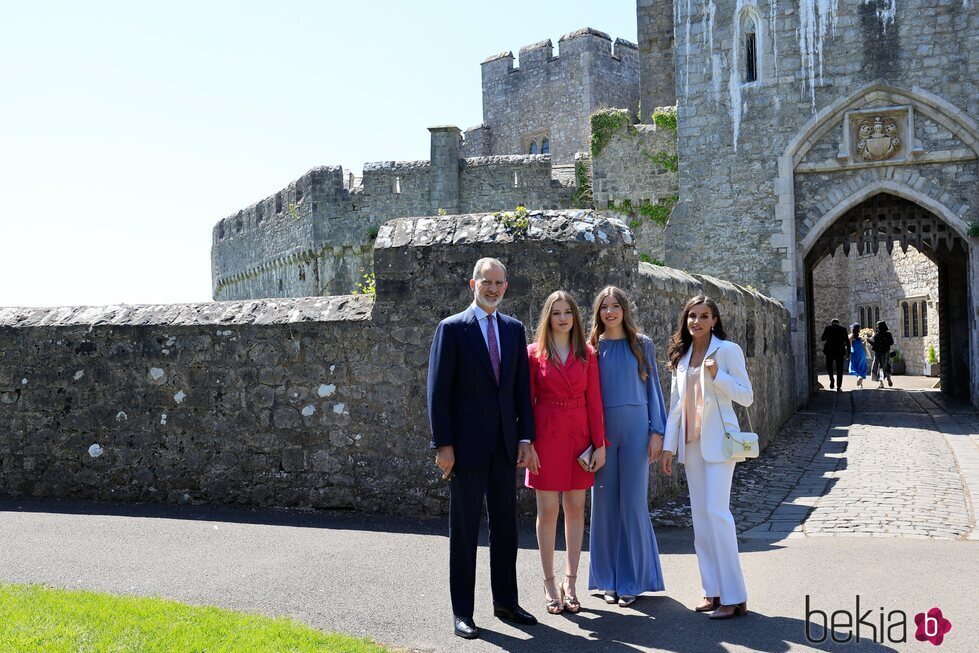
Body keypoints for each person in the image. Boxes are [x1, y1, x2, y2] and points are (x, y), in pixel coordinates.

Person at [427, 257, 540, 640]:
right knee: (464, 530)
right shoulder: (452, 329)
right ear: (472, 284)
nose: (492, 289)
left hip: (506, 447)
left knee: (506, 528)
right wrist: (443, 444)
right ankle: (463, 612)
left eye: (498, 283)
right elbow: (438, 393)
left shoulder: (513, 329)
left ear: (506, 286)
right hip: (465, 448)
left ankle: (506, 601)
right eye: (486, 282)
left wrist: (526, 438)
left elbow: (521, 391)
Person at [661, 295, 752, 620]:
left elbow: (746, 396)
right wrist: (669, 447)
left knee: (717, 513)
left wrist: (718, 377)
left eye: (704, 316)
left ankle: (734, 595)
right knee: (700, 518)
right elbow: (675, 406)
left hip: (721, 443)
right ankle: (711, 590)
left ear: (715, 320)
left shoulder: (727, 351)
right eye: (691, 316)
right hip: (692, 444)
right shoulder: (682, 357)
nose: (697, 321)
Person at [525, 291, 606, 615]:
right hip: (545, 438)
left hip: (579, 439)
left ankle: (570, 582)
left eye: (567, 313)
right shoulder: (533, 354)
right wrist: (526, 443)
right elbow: (526, 403)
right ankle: (548, 582)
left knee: (575, 508)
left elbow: (595, 402)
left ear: (575, 317)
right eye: (556, 313)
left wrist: (599, 445)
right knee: (547, 512)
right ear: (548, 317)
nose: (562, 318)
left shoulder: (587, 353)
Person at [587, 286, 667, 608]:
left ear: (624, 309)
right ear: (598, 312)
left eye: (615, 306)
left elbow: (654, 390)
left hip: (636, 431)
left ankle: (633, 579)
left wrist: (657, 432)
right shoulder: (591, 347)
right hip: (603, 434)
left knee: (633, 504)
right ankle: (608, 580)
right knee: (604, 506)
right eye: (604, 306)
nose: (610, 312)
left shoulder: (641, 344)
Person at [820, 318, 849, 392]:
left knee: (829, 366)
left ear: (831, 323)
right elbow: (847, 341)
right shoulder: (843, 329)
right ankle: (839, 387)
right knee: (840, 369)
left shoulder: (828, 328)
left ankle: (831, 379)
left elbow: (823, 338)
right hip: (840, 351)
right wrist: (848, 352)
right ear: (838, 323)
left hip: (829, 350)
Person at [869, 320, 895, 389]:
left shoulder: (877, 335)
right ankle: (889, 378)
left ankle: (881, 383)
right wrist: (886, 344)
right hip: (886, 352)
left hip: (878, 353)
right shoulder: (888, 334)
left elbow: (875, 345)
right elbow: (892, 342)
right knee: (887, 365)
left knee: (879, 367)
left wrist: (869, 341)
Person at [848, 323, 868, 388]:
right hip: (861, 354)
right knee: (862, 367)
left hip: (854, 353)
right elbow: (863, 345)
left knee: (854, 367)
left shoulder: (850, 337)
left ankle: (859, 377)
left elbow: (850, 346)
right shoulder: (860, 337)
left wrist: (847, 353)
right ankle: (861, 382)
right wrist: (864, 342)